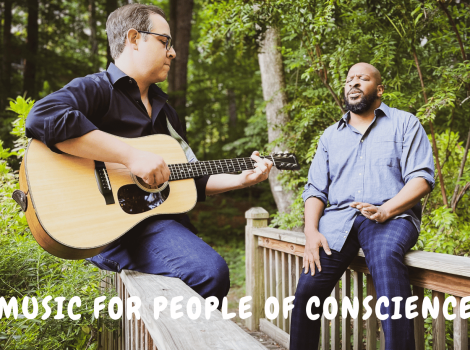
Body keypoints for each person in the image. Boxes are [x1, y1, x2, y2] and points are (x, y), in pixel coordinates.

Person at [25, 4, 273, 306]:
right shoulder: (96, 89)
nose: (173, 52)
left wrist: (241, 180)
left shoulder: (166, 112)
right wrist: (131, 156)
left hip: (157, 225)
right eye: (164, 41)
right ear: (134, 38)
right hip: (106, 229)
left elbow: (188, 177)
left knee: (208, 273)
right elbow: (42, 117)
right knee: (209, 273)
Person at [289, 62, 434, 350]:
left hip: (390, 218)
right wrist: (310, 231)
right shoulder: (331, 136)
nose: (353, 83)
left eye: (362, 79)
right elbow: (316, 189)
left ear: (378, 89)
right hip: (338, 221)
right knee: (307, 290)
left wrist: (386, 210)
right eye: (349, 79)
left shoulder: (405, 123)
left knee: (385, 260)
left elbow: (421, 179)